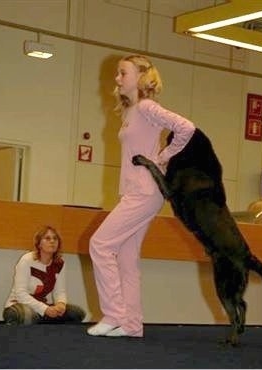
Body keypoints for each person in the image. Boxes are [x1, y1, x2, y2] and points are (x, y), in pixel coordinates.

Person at [87, 54, 195, 338]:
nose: (117, 78)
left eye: (123, 73)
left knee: (99, 245)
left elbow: (186, 128)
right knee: (126, 257)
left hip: (145, 191)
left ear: (140, 76)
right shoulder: (130, 111)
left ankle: (113, 314)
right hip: (135, 190)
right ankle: (132, 325)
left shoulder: (148, 107)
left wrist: (164, 156)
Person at [3, 225, 86, 325]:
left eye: (55, 238)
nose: (52, 241)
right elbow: (20, 294)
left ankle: (40, 321)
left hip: (42, 307)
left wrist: (61, 304)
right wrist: (45, 309)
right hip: (19, 304)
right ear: (39, 244)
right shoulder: (27, 260)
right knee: (27, 315)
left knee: (76, 313)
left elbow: (60, 292)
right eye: (47, 238)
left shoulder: (59, 263)